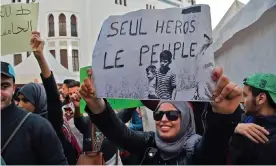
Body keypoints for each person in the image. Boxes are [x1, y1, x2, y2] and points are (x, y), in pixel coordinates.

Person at [79, 67, 243, 165]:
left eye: (172, 115)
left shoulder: (196, 148)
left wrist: (223, 115)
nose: (163, 119)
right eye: (158, 114)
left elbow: (215, 144)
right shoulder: (150, 143)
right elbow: (119, 133)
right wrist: (97, 104)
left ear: (185, 119)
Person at [17, 31, 81, 164]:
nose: (19, 104)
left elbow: (52, 95)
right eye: (19, 99)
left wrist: (40, 57)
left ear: (38, 101)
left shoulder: (51, 121)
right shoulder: (20, 123)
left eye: (25, 100)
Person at [1, 61, 67, 165]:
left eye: (4, 85)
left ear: (13, 88)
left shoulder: (38, 126)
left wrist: (40, 57)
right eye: (21, 99)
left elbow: (54, 102)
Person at [229, 73, 276, 165]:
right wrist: (234, 127)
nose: (241, 101)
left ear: (261, 98)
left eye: (245, 95)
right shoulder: (242, 120)